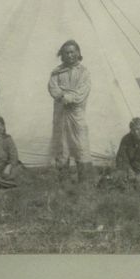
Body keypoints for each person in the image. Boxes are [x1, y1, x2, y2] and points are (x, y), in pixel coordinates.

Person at [48, 39, 93, 182]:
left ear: (78, 53)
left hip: (76, 113)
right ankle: (64, 182)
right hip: (61, 114)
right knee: (62, 145)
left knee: (81, 144)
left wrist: (66, 96)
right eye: (66, 53)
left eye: (72, 52)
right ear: (62, 55)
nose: (70, 55)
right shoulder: (56, 72)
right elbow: (53, 89)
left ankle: (84, 182)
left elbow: (81, 93)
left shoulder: (84, 72)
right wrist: (64, 95)